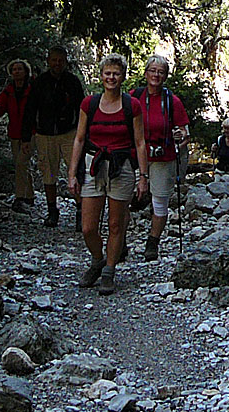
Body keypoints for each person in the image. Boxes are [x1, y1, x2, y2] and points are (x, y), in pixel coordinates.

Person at [68, 54, 148, 295]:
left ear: (122, 76)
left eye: (116, 73)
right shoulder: (89, 104)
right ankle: (98, 259)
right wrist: (72, 173)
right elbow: (80, 139)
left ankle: (109, 271)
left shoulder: (131, 105)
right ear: (101, 75)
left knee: (116, 223)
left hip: (121, 167)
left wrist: (143, 176)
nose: (111, 77)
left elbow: (140, 142)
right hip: (93, 165)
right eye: (107, 73)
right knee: (88, 227)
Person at [131, 55, 190, 261]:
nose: (156, 75)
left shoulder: (172, 101)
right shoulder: (134, 97)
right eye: (153, 71)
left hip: (163, 156)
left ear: (166, 76)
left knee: (160, 200)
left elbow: (184, 132)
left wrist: (179, 138)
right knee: (121, 196)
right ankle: (119, 242)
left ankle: (152, 242)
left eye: (161, 72)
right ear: (146, 73)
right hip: (135, 155)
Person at [21, 45, 85, 228]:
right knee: (48, 173)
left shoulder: (72, 82)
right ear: (48, 61)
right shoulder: (40, 83)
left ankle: (81, 211)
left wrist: (83, 134)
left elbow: (82, 108)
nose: (57, 64)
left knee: (75, 172)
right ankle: (52, 211)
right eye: (54, 60)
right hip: (45, 134)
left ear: (65, 62)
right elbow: (30, 109)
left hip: (69, 133)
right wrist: (26, 137)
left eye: (60, 60)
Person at [0, 59, 35, 213]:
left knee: (21, 163)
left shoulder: (32, 89)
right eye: (14, 69)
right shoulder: (8, 91)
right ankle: (29, 196)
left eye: (19, 69)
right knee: (21, 163)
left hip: (31, 132)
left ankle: (20, 198)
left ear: (25, 71)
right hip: (15, 132)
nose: (17, 72)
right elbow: (0, 110)